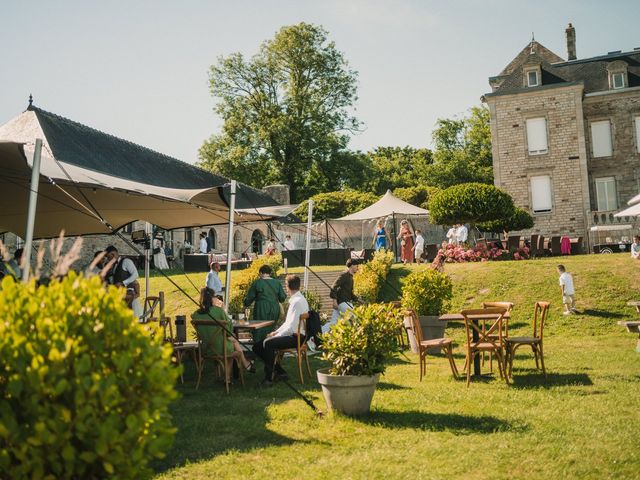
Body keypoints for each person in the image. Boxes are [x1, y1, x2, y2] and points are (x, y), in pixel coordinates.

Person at [253, 274, 309, 387]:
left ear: (287, 287)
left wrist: (275, 336)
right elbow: (288, 323)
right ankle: (279, 371)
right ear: (299, 286)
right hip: (297, 335)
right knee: (257, 346)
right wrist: (276, 332)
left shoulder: (296, 302)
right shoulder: (299, 299)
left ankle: (268, 379)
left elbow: (291, 327)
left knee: (268, 343)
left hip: (296, 337)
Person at [192, 289, 254, 384]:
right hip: (221, 348)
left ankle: (244, 365)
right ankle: (228, 378)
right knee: (231, 348)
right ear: (211, 298)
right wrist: (223, 309)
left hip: (206, 349)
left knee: (232, 341)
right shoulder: (218, 311)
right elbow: (229, 330)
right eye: (215, 297)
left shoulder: (195, 315)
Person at [105, 245, 143, 319]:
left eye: (109, 257)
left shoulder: (126, 261)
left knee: (134, 318)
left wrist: (123, 283)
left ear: (113, 254)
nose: (109, 260)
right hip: (121, 295)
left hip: (129, 295)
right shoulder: (115, 266)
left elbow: (135, 274)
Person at [325, 259, 359, 333]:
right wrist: (334, 301)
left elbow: (350, 293)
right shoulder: (344, 275)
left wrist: (359, 300)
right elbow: (334, 287)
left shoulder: (350, 277)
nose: (357, 267)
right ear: (352, 265)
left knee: (333, 323)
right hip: (342, 303)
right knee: (354, 318)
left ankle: (318, 334)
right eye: (356, 266)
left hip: (344, 303)